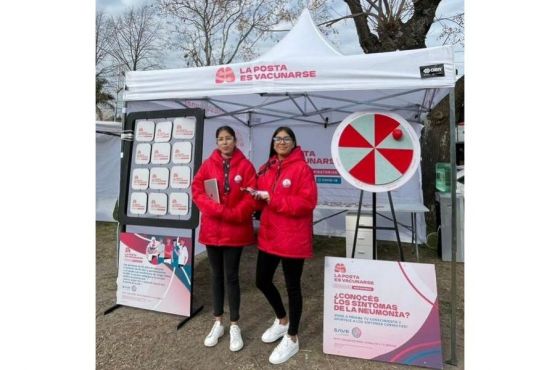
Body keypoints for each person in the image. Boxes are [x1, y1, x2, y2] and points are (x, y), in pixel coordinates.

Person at [251, 127, 317, 365]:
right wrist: (253, 197)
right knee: (262, 280)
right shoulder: (267, 167)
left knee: (293, 287)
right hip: (269, 234)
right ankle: (282, 320)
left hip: (292, 237)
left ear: (293, 142)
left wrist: (273, 198)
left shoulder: (302, 168)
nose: (281, 142)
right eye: (277, 138)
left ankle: (292, 337)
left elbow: (307, 202)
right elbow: (261, 197)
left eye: (286, 138)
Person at [192, 126, 257, 352]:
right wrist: (215, 209)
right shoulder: (208, 164)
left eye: (228, 138)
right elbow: (197, 189)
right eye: (220, 139)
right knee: (216, 276)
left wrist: (234, 214)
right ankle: (218, 321)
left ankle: (235, 324)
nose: (225, 142)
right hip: (212, 231)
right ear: (217, 142)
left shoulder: (246, 166)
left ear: (235, 140)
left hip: (235, 232)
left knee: (231, 277)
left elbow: (252, 196)